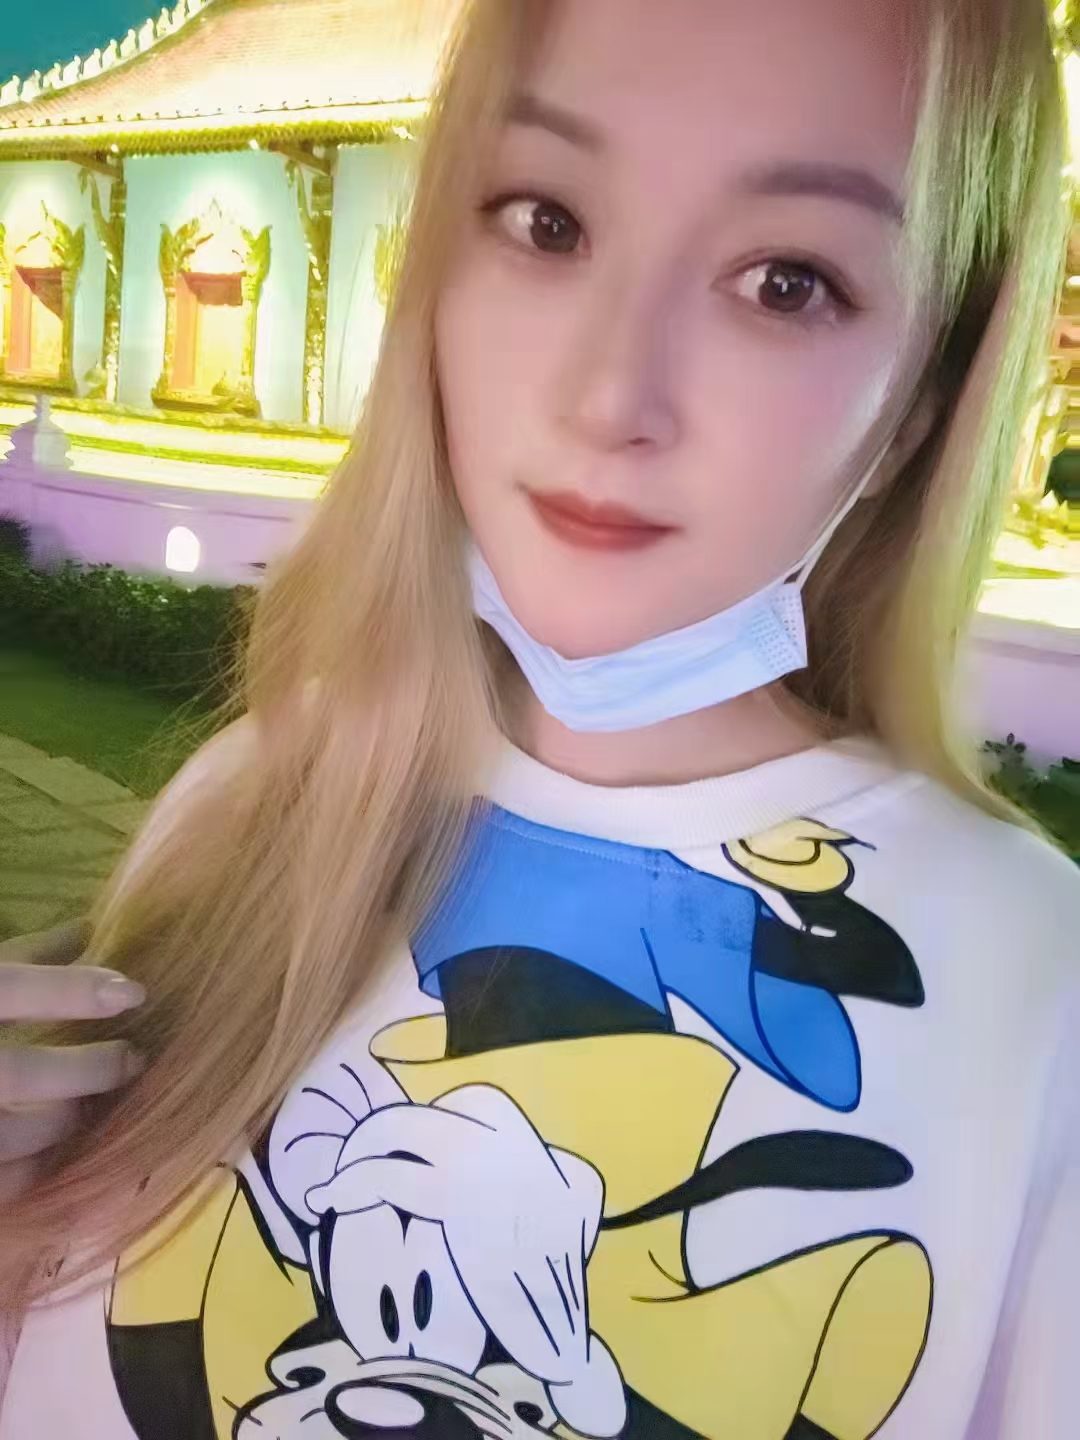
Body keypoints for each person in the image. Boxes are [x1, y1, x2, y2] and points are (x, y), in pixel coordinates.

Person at [1, 0, 1077, 1434]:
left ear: (922, 407)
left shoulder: (1036, 987)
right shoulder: (245, 806)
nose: (608, 395)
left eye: (786, 283)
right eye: (546, 223)